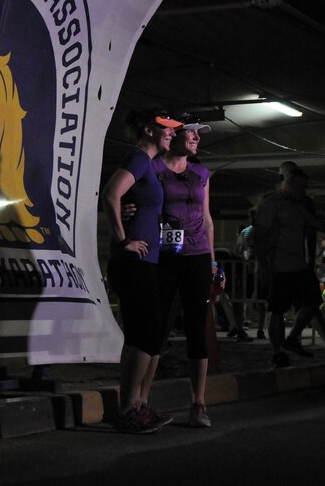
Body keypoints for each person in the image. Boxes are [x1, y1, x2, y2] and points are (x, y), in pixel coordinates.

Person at [102, 109, 182, 433]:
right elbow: (110, 194)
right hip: (132, 262)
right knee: (144, 335)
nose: (172, 135)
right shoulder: (137, 156)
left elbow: (127, 200)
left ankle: (135, 405)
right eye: (166, 129)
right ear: (148, 129)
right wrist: (124, 241)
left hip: (146, 262)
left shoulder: (147, 164)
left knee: (148, 336)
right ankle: (127, 409)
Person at [152, 118, 217, 427]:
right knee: (158, 325)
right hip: (164, 256)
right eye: (190, 133)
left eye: (198, 135)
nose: (195, 139)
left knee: (196, 327)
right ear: (173, 135)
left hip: (197, 255)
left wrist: (214, 262)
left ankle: (199, 403)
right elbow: (139, 202)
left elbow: (207, 219)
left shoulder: (201, 174)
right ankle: (141, 400)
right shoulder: (153, 168)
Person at [255, 167, 325, 367]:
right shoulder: (271, 204)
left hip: (299, 265)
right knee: (276, 310)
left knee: (312, 302)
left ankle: (291, 338)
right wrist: (263, 265)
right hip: (279, 266)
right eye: (302, 187)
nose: (305, 191)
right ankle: (278, 351)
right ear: (290, 183)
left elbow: (315, 223)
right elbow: (259, 237)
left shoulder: (296, 205)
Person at [236, 209, 267, 339]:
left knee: (261, 300)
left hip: (260, 270)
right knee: (241, 298)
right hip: (247, 270)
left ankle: (259, 328)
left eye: (255, 216)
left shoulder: (266, 231)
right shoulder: (245, 232)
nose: (252, 219)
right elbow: (238, 250)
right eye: (251, 216)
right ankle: (240, 325)